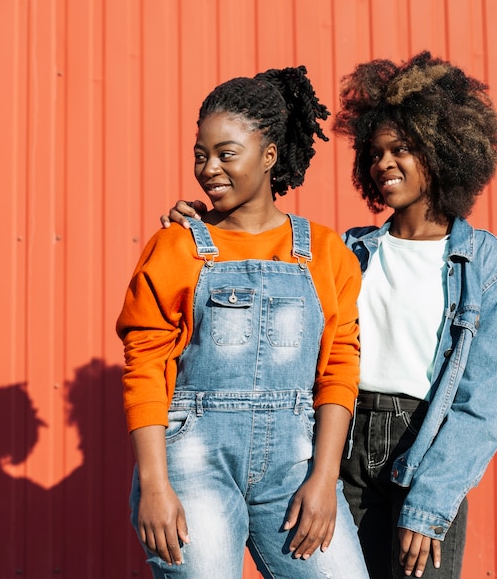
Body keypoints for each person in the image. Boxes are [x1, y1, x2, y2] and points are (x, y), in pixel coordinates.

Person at [161, 51, 497, 579]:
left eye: (401, 149)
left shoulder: (488, 265)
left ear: (444, 150)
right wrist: (204, 220)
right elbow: (266, 256)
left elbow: (480, 406)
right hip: (340, 443)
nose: (384, 164)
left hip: (424, 453)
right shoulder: (349, 250)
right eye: (375, 153)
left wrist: (431, 504)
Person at [117, 66, 369, 578]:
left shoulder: (325, 252)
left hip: (297, 470)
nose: (210, 168)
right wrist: (156, 487)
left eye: (227, 154)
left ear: (269, 155)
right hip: (192, 466)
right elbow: (144, 366)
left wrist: (325, 480)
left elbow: (340, 368)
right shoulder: (176, 245)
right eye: (200, 155)